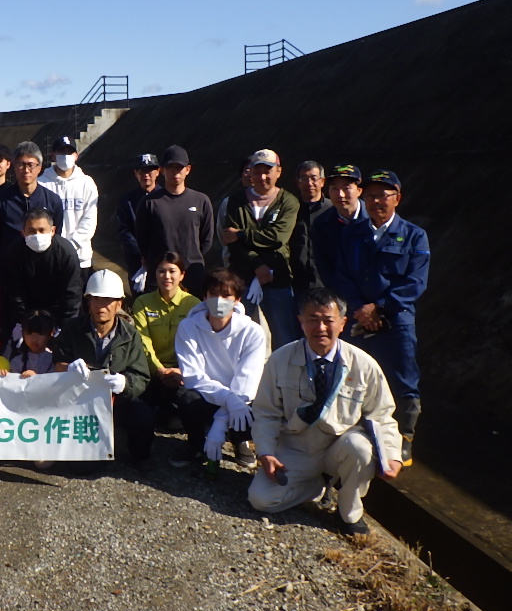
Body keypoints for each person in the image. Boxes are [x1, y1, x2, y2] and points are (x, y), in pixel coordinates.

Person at [248, 288, 403, 535]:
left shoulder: (364, 364)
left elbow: (381, 415)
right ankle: (316, 486)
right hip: (296, 447)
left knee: (361, 448)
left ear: (342, 323)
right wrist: (265, 452)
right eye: (312, 319)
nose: (320, 327)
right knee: (261, 500)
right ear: (300, 321)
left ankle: (349, 512)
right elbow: (266, 412)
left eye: (328, 320)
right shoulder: (280, 360)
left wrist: (392, 455)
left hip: (339, 444)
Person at [333, 170, 429, 466]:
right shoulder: (352, 233)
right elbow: (341, 275)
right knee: (354, 376)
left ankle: (404, 438)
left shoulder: (414, 235)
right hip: (358, 317)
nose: (376, 201)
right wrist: (360, 307)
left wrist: (380, 307)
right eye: (371, 195)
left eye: (383, 195)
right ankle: (359, 432)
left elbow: (416, 282)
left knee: (403, 380)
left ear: (397, 199)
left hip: (396, 320)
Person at [52, 270, 152, 466]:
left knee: (143, 415)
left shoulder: (130, 335)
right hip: (79, 403)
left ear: (118, 304)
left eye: (107, 301)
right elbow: (57, 364)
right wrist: (69, 369)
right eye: (95, 300)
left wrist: (126, 383)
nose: (101, 306)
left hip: (117, 403)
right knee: (82, 468)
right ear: (88, 302)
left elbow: (141, 376)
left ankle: (139, 455)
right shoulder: (72, 329)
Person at [174, 267, 266, 469]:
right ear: (204, 297)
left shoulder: (253, 332)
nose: (219, 300)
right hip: (208, 395)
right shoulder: (188, 327)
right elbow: (192, 377)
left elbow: (246, 384)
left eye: (226, 295)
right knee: (187, 398)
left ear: (237, 300)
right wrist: (227, 399)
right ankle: (196, 445)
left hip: (240, 400)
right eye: (213, 294)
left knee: (252, 405)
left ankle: (239, 439)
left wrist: (220, 423)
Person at [222, 149, 300, 349]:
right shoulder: (236, 201)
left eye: (268, 171)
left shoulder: (288, 202)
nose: (262, 177)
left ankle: (285, 380)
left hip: (278, 279)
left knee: (285, 338)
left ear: (278, 172)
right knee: (239, 338)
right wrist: (257, 264)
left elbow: (276, 238)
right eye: (257, 172)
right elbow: (232, 244)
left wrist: (241, 234)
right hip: (243, 279)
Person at [132, 252, 202, 432]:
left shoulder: (193, 304)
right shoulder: (142, 302)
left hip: (181, 372)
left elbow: (198, 344)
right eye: (161, 271)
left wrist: (181, 371)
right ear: (155, 274)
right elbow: (142, 340)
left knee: (190, 403)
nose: (167, 276)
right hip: (151, 370)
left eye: (172, 271)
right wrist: (159, 369)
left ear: (182, 275)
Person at [134, 145, 214, 297]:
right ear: (162, 170)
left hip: (193, 275)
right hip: (162, 276)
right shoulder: (149, 202)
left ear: (188, 169)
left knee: (193, 319)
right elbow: (142, 240)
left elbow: (206, 240)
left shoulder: (201, 201)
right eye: (170, 167)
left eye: (179, 167)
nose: (175, 172)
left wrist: (189, 258)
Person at [0, 208, 81, 350]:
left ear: (53, 230)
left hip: (58, 307)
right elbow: (15, 291)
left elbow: (71, 295)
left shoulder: (66, 253)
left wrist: (65, 327)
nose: (37, 235)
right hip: (27, 308)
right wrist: (20, 322)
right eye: (32, 231)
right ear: (23, 232)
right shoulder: (14, 252)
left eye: (42, 230)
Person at [0, 141, 64, 257]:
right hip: (11, 266)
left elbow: (56, 237)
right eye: (21, 164)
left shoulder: (53, 200)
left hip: (43, 265)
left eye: (31, 165)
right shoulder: (1, 200)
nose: (26, 170)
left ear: (39, 168)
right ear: (14, 166)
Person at [38, 135, 99, 275]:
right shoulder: (41, 183)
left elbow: (89, 221)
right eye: (61, 152)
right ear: (53, 155)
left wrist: (71, 244)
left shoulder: (87, 183)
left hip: (80, 258)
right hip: (50, 256)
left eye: (69, 152)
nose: (65, 156)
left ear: (76, 156)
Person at [312, 164, 366, 293]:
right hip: (341, 296)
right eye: (334, 189)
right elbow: (324, 265)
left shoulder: (374, 219)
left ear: (359, 190)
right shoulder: (322, 223)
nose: (340, 195)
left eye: (346, 188)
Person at [115, 153, 161, 294]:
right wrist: (142, 254)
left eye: (149, 170)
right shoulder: (127, 201)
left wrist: (155, 255)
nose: (146, 174)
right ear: (135, 173)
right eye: (141, 171)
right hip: (137, 262)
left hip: (162, 260)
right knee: (139, 300)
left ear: (158, 171)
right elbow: (125, 231)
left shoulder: (166, 197)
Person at [289, 160, 332, 296]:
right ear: (298, 182)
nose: (309, 183)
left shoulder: (333, 209)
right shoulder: (290, 209)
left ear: (322, 181)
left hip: (327, 281)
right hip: (296, 282)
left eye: (314, 178)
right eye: (304, 178)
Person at [7, 310, 56, 378]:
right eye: (29, 334)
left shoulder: (54, 361)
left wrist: (35, 378)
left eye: (40, 334)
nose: (34, 339)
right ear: (23, 333)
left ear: (50, 334)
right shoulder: (16, 361)